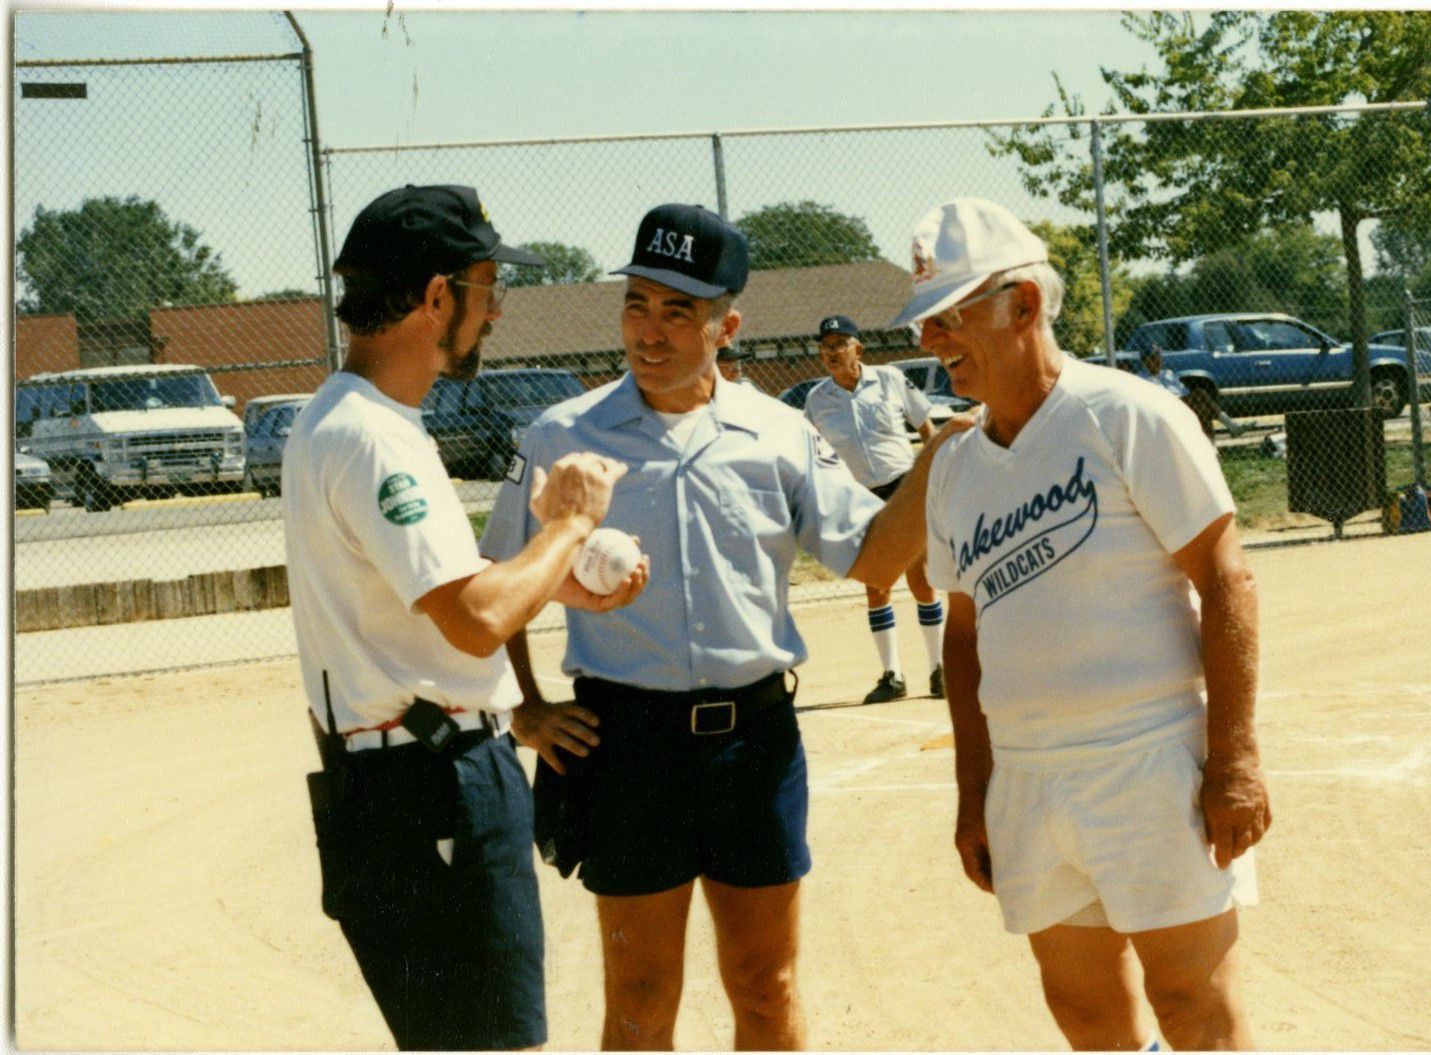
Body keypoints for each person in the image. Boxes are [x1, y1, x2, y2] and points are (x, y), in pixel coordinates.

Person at [480, 202, 966, 1051]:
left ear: (726, 326)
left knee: (765, 986)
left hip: (754, 740)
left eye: (678, 312)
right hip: (627, 742)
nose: (649, 332)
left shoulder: (777, 432)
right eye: (636, 305)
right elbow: (494, 578)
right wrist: (523, 704)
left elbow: (872, 558)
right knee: (639, 997)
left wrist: (935, 460)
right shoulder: (563, 433)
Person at [893, 198, 1270, 1051]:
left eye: (949, 314)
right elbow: (963, 635)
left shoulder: (1126, 415)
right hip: (1026, 775)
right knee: (1084, 1012)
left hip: (1146, 757)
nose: (929, 339)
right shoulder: (953, 463)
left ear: (1023, 304)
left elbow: (1225, 579)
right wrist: (974, 791)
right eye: (924, 319)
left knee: (1193, 1005)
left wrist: (1234, 759)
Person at [282, 183, 648, 1051]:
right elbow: (477, 621)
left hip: (397, 780)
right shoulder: (373, 437)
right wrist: (570, 525)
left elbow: (437, 587)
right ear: (438, 296)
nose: (497, 310)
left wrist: (555, 580)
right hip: (433, 783)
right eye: (489, 287)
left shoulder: (342, 417)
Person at [803, 314, 947, 703]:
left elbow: (926, 426)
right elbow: (813, 454)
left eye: (839, 344)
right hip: (860, 496)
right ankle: (892, 676)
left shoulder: (889, 379)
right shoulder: (817, 400)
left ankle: (939, 669)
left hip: (903, 488)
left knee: (921, 579)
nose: (831, 352)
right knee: (876, 585)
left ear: (858, 349)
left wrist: (934, 475)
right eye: (825, 347)